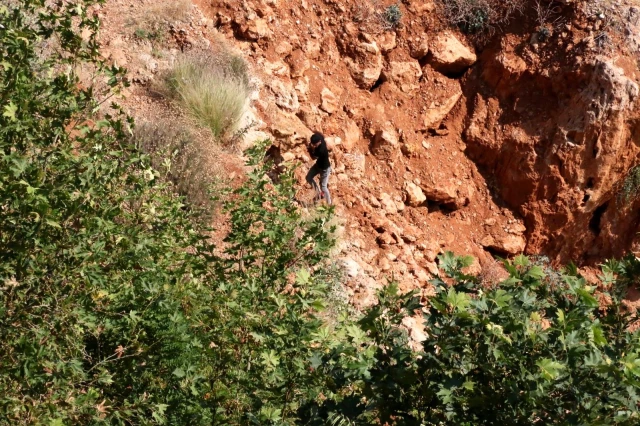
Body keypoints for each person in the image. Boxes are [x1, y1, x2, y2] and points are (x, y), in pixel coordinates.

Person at [306, 132, 332, 205]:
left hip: (325, 169)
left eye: (315, 144)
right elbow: (318, 133)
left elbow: (313, 157)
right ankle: (318, 192)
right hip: (318, 165)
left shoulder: (321, 150)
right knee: (308, 177)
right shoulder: (321, 138)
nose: (318, 143)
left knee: (323, 187)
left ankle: (329, 203)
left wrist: (310, 149)